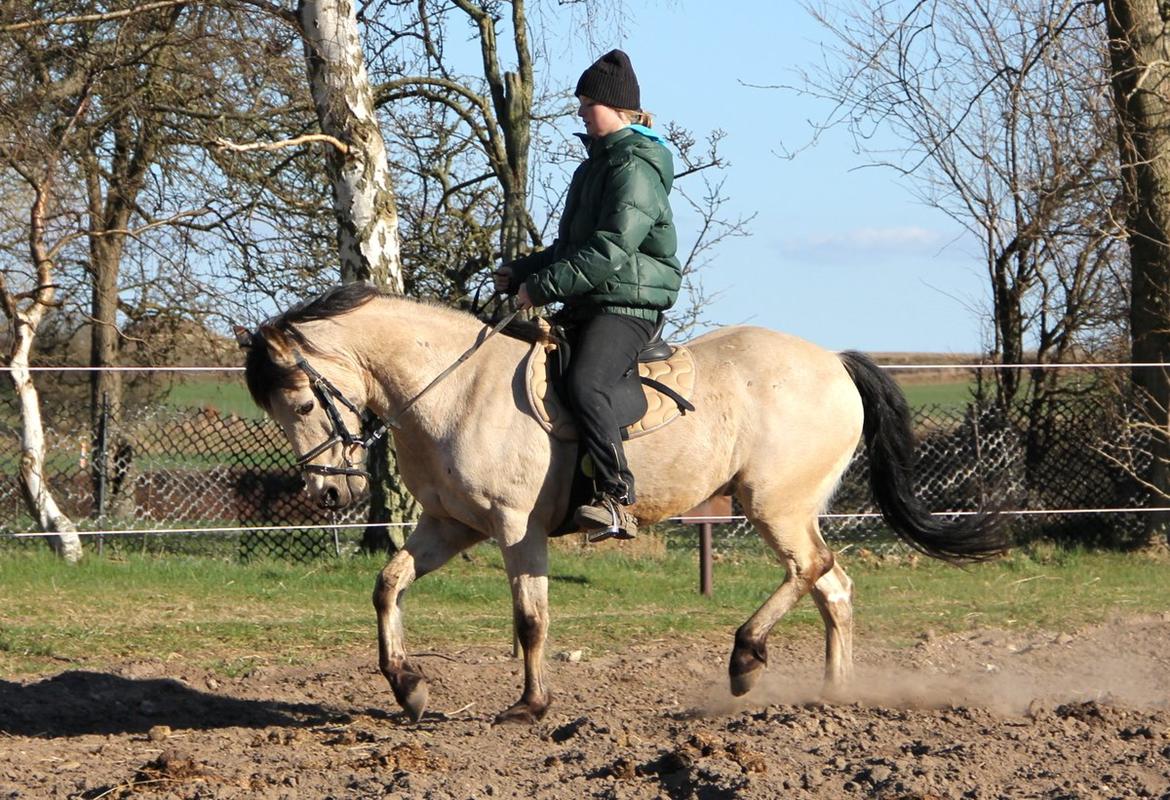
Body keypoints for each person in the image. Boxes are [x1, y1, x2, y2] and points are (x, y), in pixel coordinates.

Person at [494, 49, 682, 542]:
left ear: (618, 109)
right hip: (591, 300)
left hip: (628, 306)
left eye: (586, 104)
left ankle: (617, 497)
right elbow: (571, 247)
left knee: (585, 383)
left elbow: (612, 248)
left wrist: (542, 288)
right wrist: (522, 270)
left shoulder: (635, 167)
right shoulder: (596, 165)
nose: (579, 112)